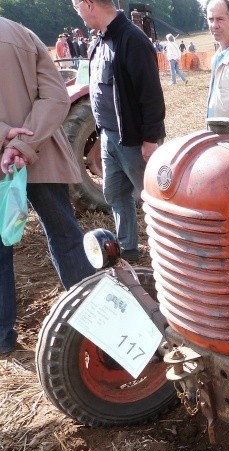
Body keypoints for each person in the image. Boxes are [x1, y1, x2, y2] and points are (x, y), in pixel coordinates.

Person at [0, 17, 95, 354]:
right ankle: (92, 319)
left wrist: (6, 138)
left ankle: (2, 337)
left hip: (6, 162)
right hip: (41, 155)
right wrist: (22, 145)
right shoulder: (21, 33)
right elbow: (56, 97)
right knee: (66, 237)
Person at [76, 0, 166, 262]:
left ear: (89, 4)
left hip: (135, 140)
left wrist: (150, 140)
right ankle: (128, 250)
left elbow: (151, 96)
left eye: (77, 7)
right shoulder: (100, 41)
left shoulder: (132, 40)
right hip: (108, 137)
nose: (78, 15)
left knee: (153, 198)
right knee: (116, 194)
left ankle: (167, 252)